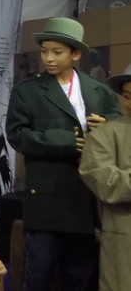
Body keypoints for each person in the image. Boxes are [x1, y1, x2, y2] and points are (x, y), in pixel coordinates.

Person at [5, 17, 120, 291]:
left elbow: (120, 128)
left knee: (80, 276)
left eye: (57, 52)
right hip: (45, 201)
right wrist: (66, 140)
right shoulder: (27, 92)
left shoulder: (99, 91)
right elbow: (16, 135)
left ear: (75, 54)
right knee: (38, 275)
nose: (48, 58)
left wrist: (107, 127)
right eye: (44, 51)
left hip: (86, 199)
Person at [79, 63, 131, 291]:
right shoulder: (105, 135)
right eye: (127, 96)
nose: (129, 103)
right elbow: (102, 179)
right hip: (123, 243)